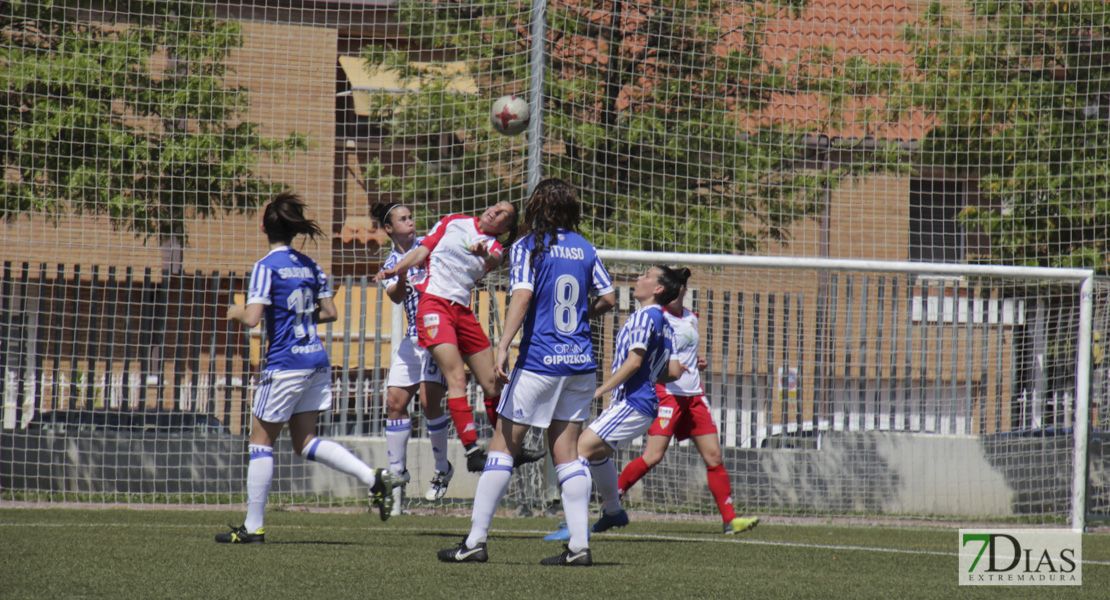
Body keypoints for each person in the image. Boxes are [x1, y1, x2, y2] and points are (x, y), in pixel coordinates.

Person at [436, 178, 615, 565]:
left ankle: (474, 543)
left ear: (537, 206)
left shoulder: (529, 245)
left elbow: (522, 294)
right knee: (567, 454)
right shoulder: (585, 248)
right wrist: (583, 318)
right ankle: (579, 548)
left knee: (502, 448)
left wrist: (502, 345)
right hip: (580, 363)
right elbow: (610, 298)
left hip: (540, 361)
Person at [216, 191, 392, 544]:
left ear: (264, 227)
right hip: (315, 360)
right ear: (295, 229)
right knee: (305, 440)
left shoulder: (266, 267)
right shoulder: (312, 266)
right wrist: (299, 316)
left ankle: (253, 527)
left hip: (285, 363)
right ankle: (373, 478)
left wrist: (236, 312)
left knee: (260, 444)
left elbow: (252, 319)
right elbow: (330, 313)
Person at [373, 201, 543, 474]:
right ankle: (471, 451)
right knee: (456, 379)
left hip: (462, 310)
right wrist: (397, 270)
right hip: (434, 305)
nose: (494, 211)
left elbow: (495, 260)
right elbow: (422, 251)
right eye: (495, 207)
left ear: (505, 228)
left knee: (492, 383)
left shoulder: (495, 247)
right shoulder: (452, 220)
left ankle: (511, 446)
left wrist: (484, 253)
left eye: (503, 214)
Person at [547, 266, 687, 565]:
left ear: (658, 289)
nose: (639, 278)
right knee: (596, 455)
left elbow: (635, 362)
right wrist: (649, 375)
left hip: (633, 403)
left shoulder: (642, 317)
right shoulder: (664, 321)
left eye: (646, 275)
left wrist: (600, 391)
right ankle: (612, 510)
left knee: (576, 453)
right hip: (642, 403)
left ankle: (577, 537)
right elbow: (672, 371)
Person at [614, 270, 759, 535]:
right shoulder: (656, 316)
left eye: (679, 284)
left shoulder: (692, 317)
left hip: (693, 396)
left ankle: (730, 520)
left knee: (714, 456)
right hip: (667, 393)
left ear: (682, 289)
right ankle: (611, 504)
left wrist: (696, 363)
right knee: (653, 456)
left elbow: (684, 353)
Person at [372, 202, 452, 510]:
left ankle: (442, 469)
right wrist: (402, 273)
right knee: (394, 402)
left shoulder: (428, 247)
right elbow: (396, 296)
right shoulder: (393, 260)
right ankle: (397, 472)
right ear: (390, 229)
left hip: (437, 335)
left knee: (431, 401)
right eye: (403, 219)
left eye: (411, 217)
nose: (411, 222)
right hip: (413, 338)